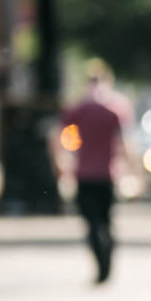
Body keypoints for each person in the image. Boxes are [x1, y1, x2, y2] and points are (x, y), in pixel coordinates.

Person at [55, 61, 129, 283]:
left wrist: (60, 162)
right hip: (106, 175)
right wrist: (129, 171)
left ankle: (101, 261)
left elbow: (57, 135)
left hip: (85, 174)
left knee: (92, 222)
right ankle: (107, 256)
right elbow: (123, 144)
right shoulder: (113, 112)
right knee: (105, 222)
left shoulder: (77, 110)